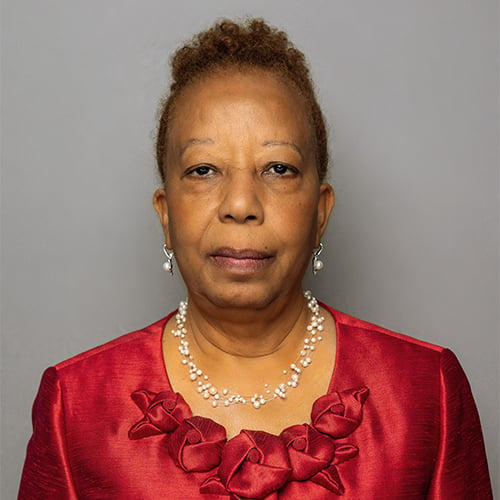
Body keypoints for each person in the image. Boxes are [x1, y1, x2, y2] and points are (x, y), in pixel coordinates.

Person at [19, 18, 492, 499]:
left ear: (321, 211)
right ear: (166, 213)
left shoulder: (424, 394)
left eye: (278, 169)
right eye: (203, 170)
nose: (241, 204)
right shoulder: (74, 407)